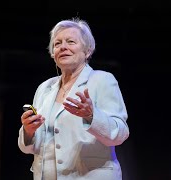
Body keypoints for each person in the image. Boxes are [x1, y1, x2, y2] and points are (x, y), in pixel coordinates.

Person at [18, 17, 129, 180]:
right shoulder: (44, 88)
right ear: (52, 53)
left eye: (70, 42)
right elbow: (30, 147)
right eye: (57, 44)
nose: (63, 47)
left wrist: (91, 116)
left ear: (88, 50)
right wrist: (28, 131)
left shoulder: (102, 80)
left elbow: (120, 134)